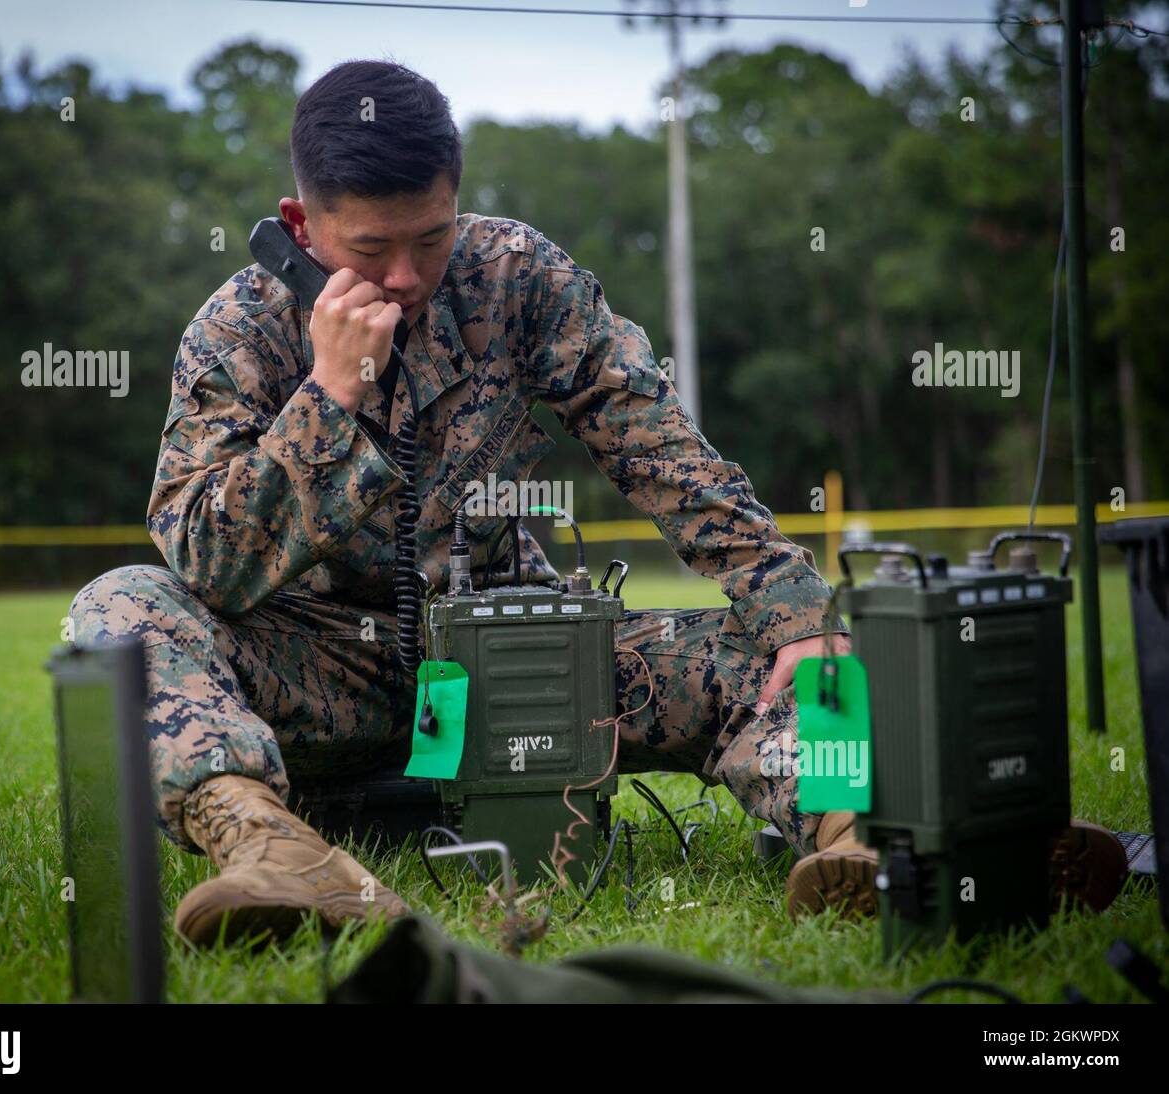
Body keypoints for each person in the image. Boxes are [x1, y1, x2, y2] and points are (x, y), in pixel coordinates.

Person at [68, 60, 1119, 947]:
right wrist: (328, 395)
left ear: (457, 200)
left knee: (787, 654)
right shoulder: (238, 329)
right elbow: (206, 560)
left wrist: (795, 611)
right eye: (367, 249)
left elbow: (657, 442)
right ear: (300, 225)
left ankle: (865, 827)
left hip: (505, 665)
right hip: (313, 675)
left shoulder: (513, 275)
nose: (404, 279)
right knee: (120, 608)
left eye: (427, 240)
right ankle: (278, 855)